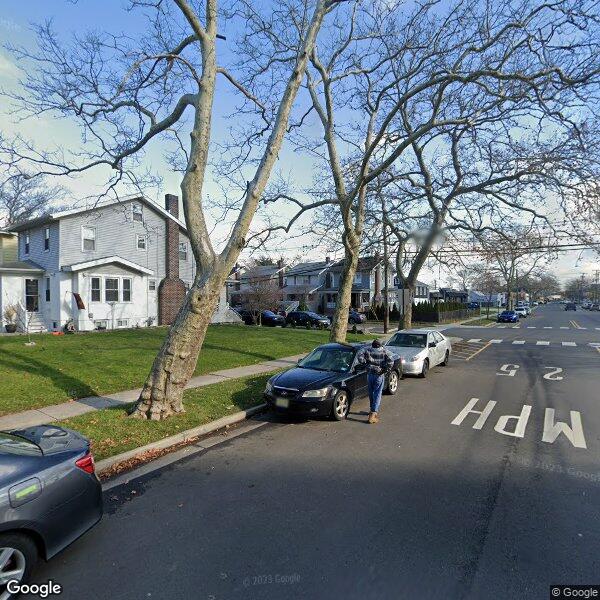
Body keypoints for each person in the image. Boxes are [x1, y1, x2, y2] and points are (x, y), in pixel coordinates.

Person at [357, 339, 394, 424]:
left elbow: (359, 354)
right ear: (380, 345)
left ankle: (371, 409)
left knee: (371, 392)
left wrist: (365, 363)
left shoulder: (368, 350)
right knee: (377, 393)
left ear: (372, 345)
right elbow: (391, 361)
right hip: (379, 375)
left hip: (370, 374)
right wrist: (385, 370)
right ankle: (373, 414)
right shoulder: (384, 351)